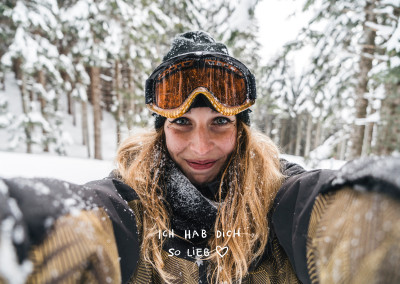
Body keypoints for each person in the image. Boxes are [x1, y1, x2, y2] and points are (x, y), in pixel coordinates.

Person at [0, 31, 400, 284]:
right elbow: (92, 222)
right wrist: (28, 229)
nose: (202, 147)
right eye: (183, 124)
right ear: (161, 129)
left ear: (242, 128)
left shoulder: (279, 198)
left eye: (220, 123)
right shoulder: (130, 204)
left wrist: (380, 216)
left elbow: (334, 218)